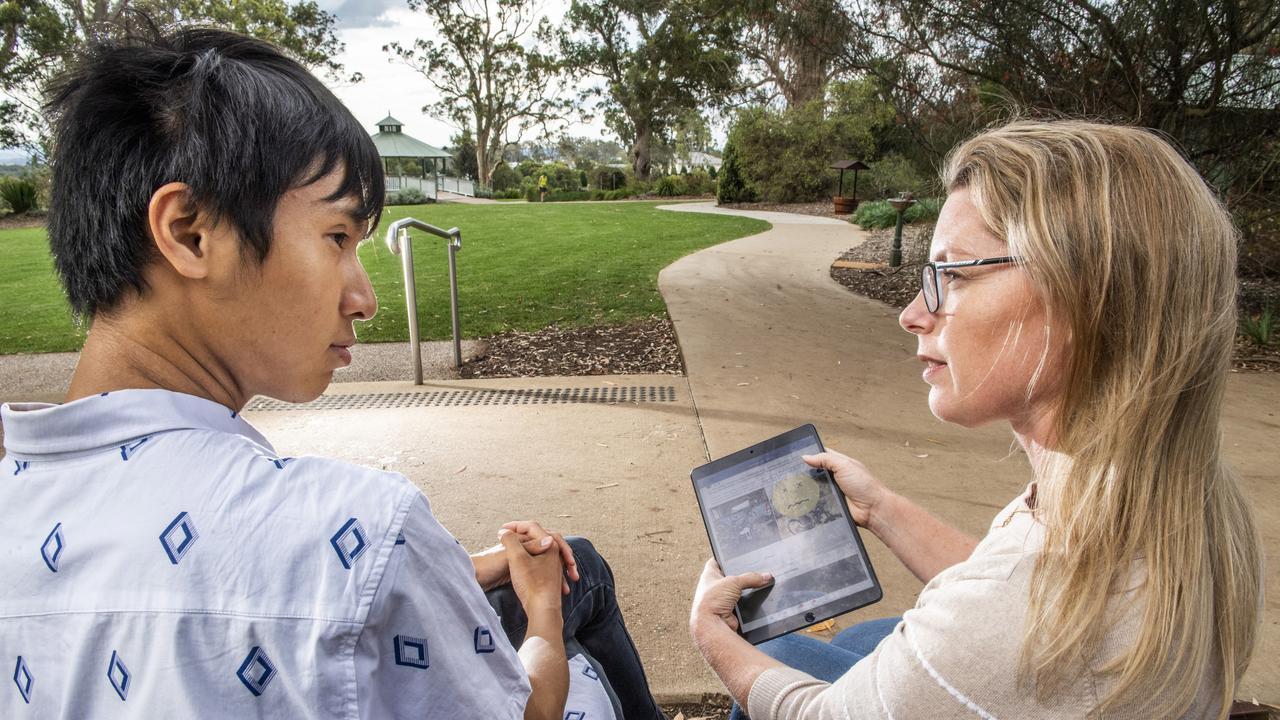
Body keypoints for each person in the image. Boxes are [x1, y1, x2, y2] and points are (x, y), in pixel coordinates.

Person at [0, 28, 663, 719]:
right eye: (337, 238)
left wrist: (453, 570)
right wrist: (541, 614)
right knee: (577, 579)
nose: (364, 299)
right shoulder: (359, 521)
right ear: (191, 232)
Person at [689, 120, 1263, 719]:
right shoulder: (1188, 499)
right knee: (864, 640)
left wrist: (710, 634)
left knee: (774, 650)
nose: (913, 314)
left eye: (955, 274)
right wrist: (880, 507)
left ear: (1088, 294)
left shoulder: (998, 621)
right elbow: (1022, 596)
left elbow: (824, 713)